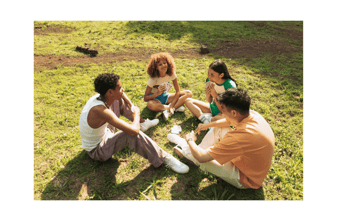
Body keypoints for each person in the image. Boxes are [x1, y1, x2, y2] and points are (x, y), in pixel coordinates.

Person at [79, 73, 189, 174]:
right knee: (131, 134)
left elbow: (121, 95)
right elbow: (133, 131)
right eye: (119, 88)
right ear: (110, 91)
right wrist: (136, 113)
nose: (122, 89)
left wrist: (130, 104)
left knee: (118, 101)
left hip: (106, 132)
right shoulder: (100, 110)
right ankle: (164, 158)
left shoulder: (102, 96)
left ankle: (144, 123)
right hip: (98, 150)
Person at [167, 88, 274, 189]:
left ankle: (186, 149)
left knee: (201, 159)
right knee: (218, 127)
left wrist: (190, 140)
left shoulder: (239, 137)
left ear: (233, 112)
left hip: (245, 178)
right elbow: (229, 121)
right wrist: (208, 125)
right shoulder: (252, 115)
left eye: (223, 110)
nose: (222, 113)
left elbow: (202, 157)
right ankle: (191, 151)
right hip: (249, 163)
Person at [185, 59, 237, 124]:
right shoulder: (209, 81)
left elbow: (224, 111)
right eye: (208, 73)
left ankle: (210, 119)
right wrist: (208, 94)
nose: (209, 76)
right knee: (188, 101)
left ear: (221, 75)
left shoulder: (230, 85)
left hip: (225, 113)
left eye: (212, 74)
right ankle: (205, 119)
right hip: (212, 109)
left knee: (227, 118)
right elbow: (209, 101)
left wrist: (215, 95)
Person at [144, 52, 192, 120]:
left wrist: (172, 106)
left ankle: (172, 108)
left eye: (164, 63)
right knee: (150, 105)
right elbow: (145, 98)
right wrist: (157, 93)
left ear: (168, 63)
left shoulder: (171, 73)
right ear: (156, 67)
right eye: (160, 64)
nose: (163, 65)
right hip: (155, 100)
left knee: (188, 93)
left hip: (166, 96)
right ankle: (175, 107)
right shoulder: (153, 79)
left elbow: (178, 91)